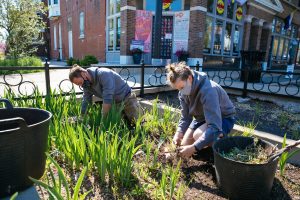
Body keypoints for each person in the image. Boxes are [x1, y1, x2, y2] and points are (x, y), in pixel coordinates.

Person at [166, 62, 236, 158]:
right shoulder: (183, 92)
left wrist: (194, 147)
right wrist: (179, 132)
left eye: (182, 87)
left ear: (189, 78)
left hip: (222, 118)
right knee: (184, 145)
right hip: (201, 118)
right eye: (178, 89)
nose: (181, 92)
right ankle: (207, 144)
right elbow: (186, 117)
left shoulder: (208, 91)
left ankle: (224, 147)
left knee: (198, 135)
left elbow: (214, 126)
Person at [69, 64, 141, 124]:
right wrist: (82, 115)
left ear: (83, 74)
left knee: (138, 123)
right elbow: (86, 100)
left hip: (127, 98)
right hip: (115, 103)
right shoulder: (86, 85)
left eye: (80, 83)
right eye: (78, 84)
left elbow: (107, 99)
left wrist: (103, 122)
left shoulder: (104, 74)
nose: (81, 85)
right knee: (121, 125)